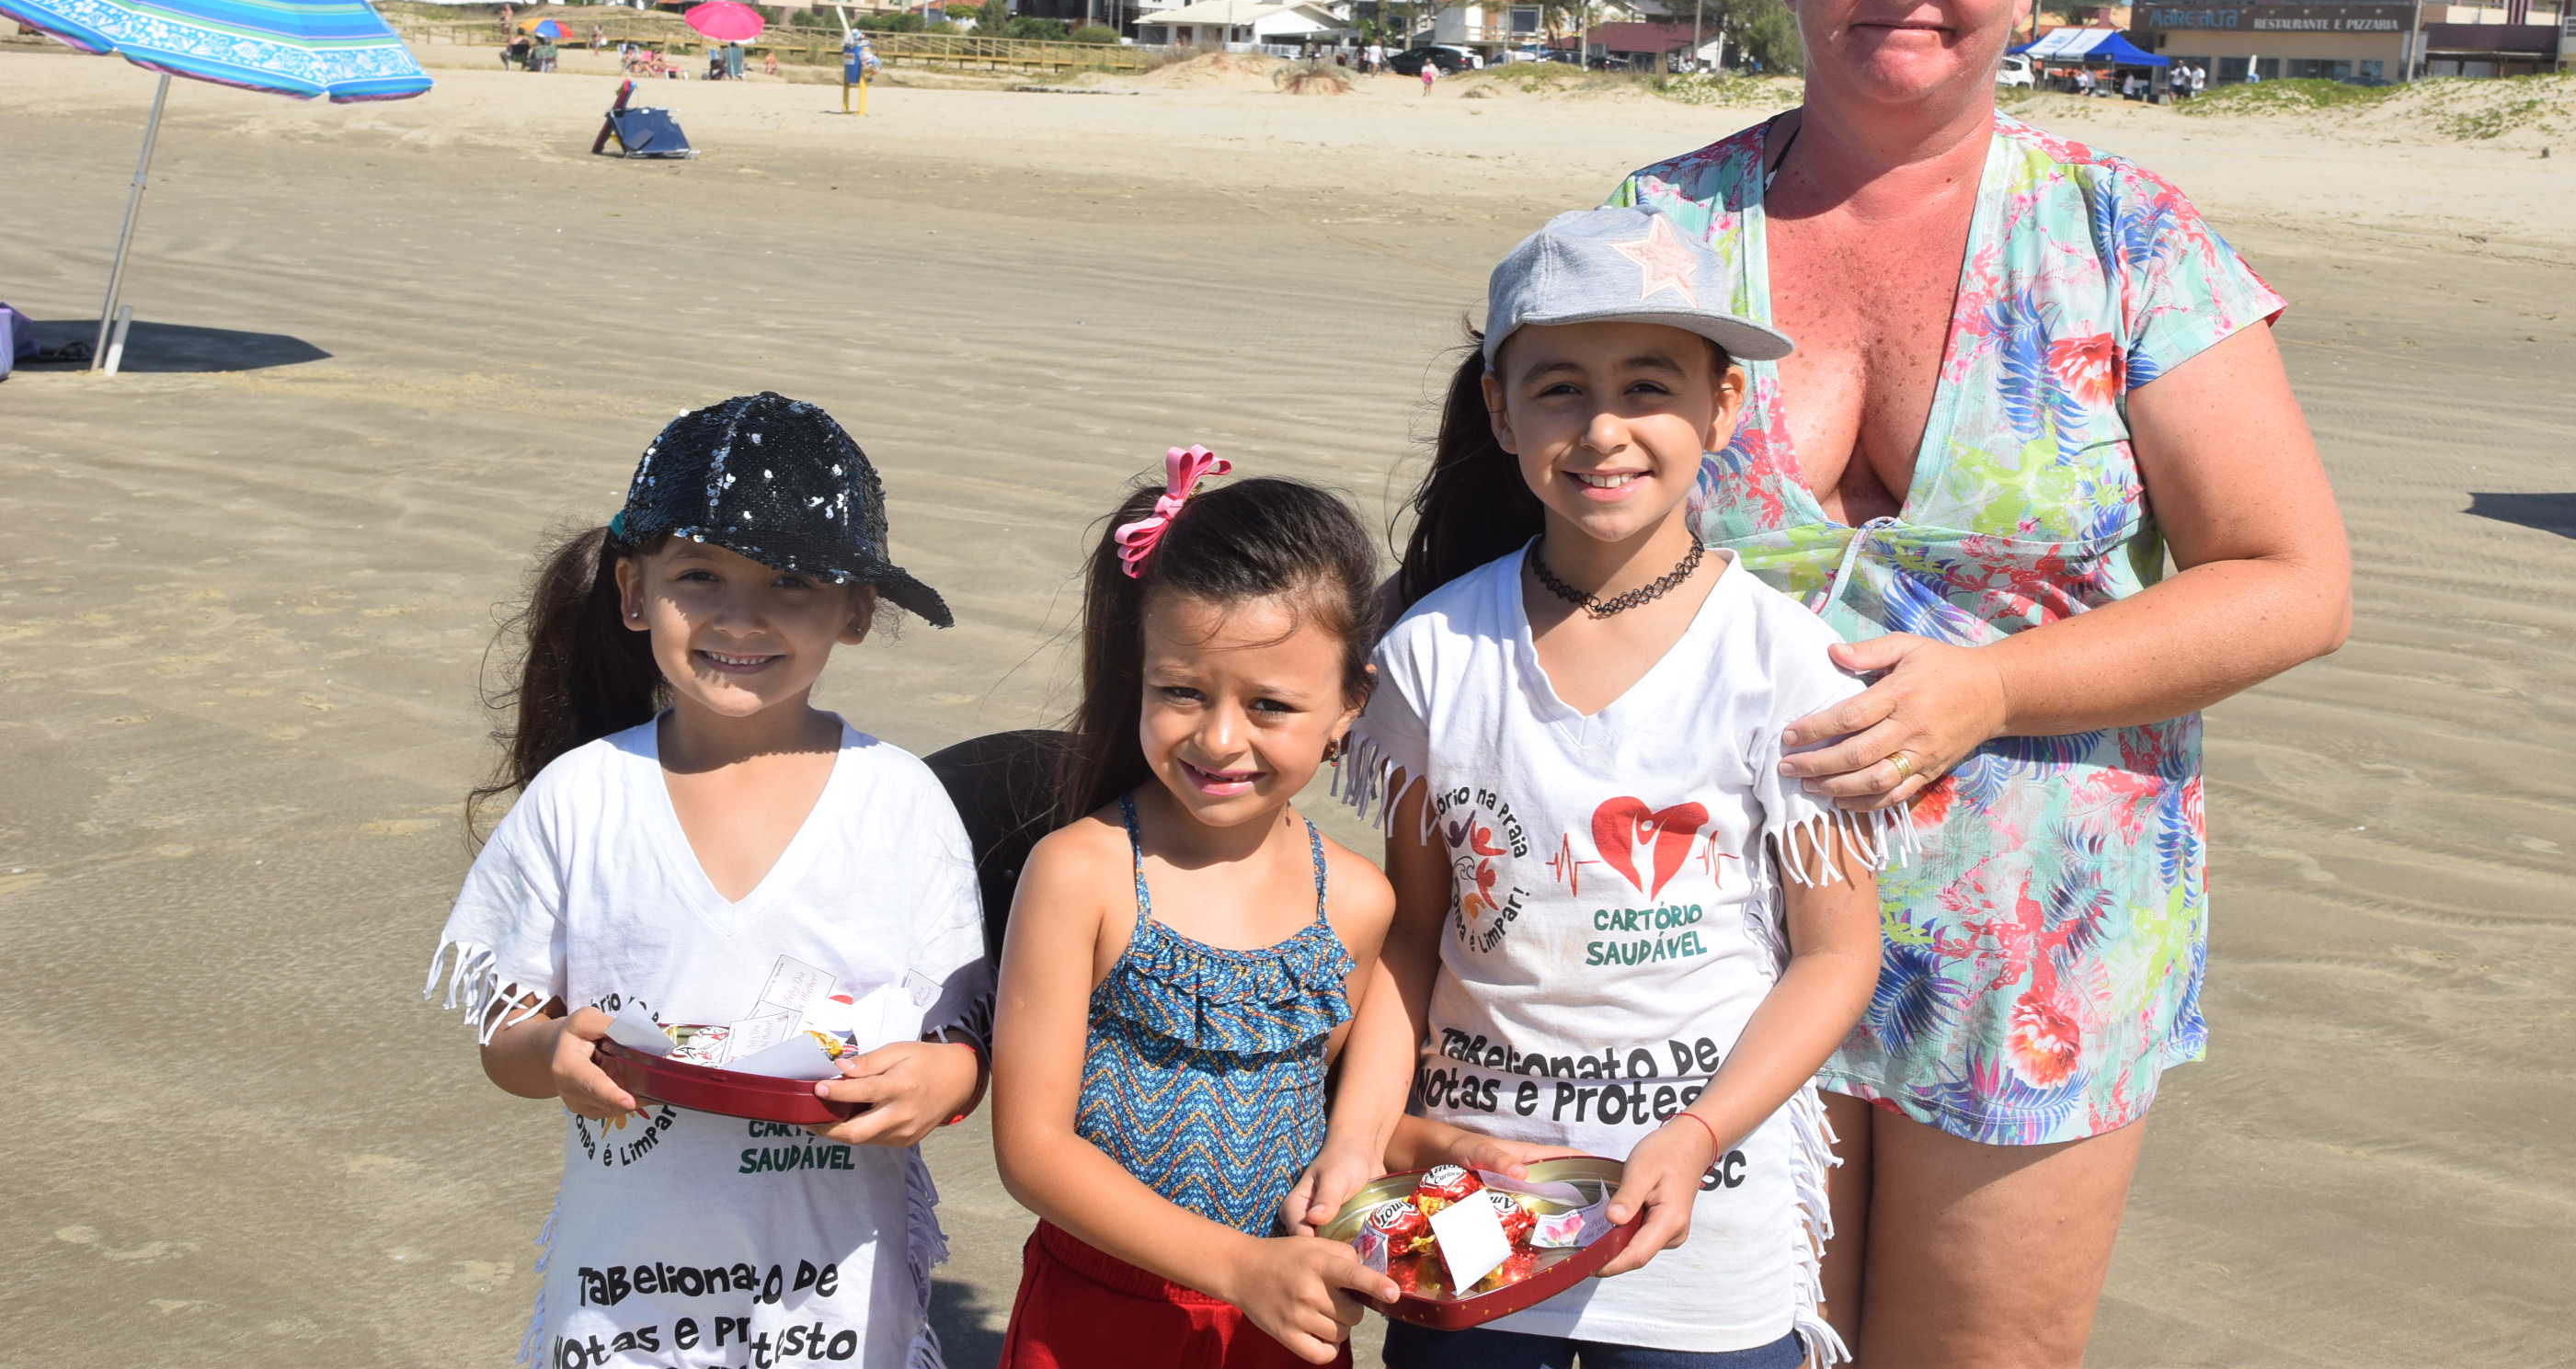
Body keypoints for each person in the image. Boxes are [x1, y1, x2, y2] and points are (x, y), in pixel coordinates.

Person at [1599, 0, 2350, 1367]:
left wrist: (1991, 688)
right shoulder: (1654, 236)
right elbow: (1529, 561)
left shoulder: (2125, 236)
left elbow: (2293, 580)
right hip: (1701, 925)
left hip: (2038, 937)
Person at [1297, 211, 1891, 1368]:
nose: (1604, 427)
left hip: (1704, 1216)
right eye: (1559, 387)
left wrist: (1699, 1129)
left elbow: (1834, 956)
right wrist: (1359, 1138)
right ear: (1500, 409)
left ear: (1722, 404)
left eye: (1648, 385)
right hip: (1471, 1206)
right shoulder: (1430, 653)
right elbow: (1415, 936)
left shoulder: (1786, 662)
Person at [428, 394, 987, 1369]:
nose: (740, 617)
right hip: (625, 1303)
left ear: (856, 609)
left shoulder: (900, 801)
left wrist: (943, 1079)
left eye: (791, 581)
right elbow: (505, 1042)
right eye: (699, 575)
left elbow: (963, 1036)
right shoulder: (581, 796)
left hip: (834, 1303)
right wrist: (553, 1051)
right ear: (634, 592)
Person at [992, 451, 1398, 1367]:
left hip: (1282, 1322)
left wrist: (1453, 1147)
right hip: (1095, 1320)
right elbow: (1031, 1148)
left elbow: (1328, 1114)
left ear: (1349, 704)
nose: (1218, 737)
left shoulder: (1357, 901)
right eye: (1181, 690)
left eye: (1270, 704)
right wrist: (1239, 1266)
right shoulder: (1081, 872)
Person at [841, 29, 874, 113]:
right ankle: (857, 110)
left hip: (851, 66)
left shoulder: (853, 44)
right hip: (856, 64)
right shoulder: (861, 44)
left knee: (851, 79)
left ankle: (846, 108)